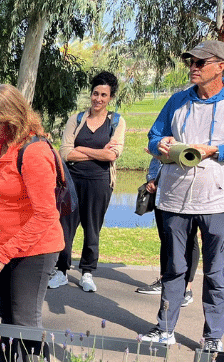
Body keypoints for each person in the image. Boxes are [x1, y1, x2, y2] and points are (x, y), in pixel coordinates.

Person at [141, 40, 224, 352]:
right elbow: (152, 137)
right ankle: (164, 329)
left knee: (217, 273)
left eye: (202, 62)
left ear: (221, 67)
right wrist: (159, 145)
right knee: (174, 269)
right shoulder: (177, 101)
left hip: (217, 202)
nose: (194, 67)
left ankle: (212, 335)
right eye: (192, 61)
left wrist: (214, 150)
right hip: (174, 200)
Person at [0, 84, 64, 362]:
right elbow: (14, 188)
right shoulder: (5, 145)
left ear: (13, 118)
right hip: (9, 248)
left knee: (25, 324)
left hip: (34, 250)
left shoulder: (34, 153)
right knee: (8, 319)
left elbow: (45, 215)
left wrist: (2, 254)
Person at [49, 71, 126, 292]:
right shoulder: (77, 119)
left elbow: (112, 155)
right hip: (72, 181)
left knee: (93, 229)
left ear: (110, 97)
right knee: (65, 227)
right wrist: (95, 152)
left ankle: (87, 272)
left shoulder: (117, 122)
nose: (98, 99)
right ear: (90, 94)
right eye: (95, 93)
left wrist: (81, 149)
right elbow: (65, 153)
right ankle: (61, 270)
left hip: (100, 182)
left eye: (104, 95)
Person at [135, 157, 199, 309]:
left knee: (190, 239)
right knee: (165, 236)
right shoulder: (165, 135)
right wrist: (151, 179)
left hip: (187, 191)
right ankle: (164, 281)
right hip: (162, 192)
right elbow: (156, 157)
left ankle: (187, 288)